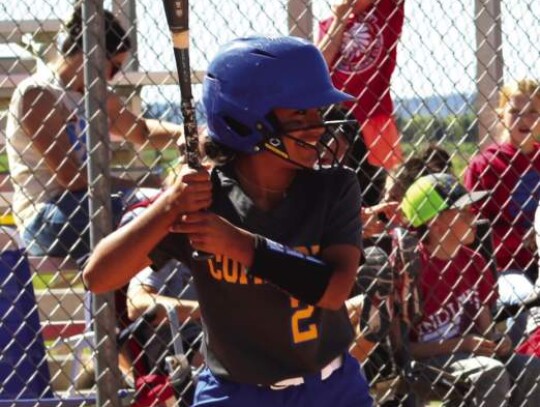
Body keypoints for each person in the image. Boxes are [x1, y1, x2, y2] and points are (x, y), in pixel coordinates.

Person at [83, 36, 373, 407]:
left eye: (316, 111)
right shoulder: (204, 201)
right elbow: (98, 277)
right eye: (300, 115)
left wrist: (238, 245)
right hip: (234, 393)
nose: (316, 125)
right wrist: (168, 207)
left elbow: (334, 290)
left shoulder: (334, 187)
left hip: (330, 390)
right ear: (248, 120)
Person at [5, 4, 182, 262]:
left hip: (94, 203)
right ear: (94, 55)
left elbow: (140, 131)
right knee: (154, 211)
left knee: (160, 212)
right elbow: (72, 179)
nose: (112, 78)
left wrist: (187, 133)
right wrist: (147, 187)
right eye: (113, 67)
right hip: (47, 215)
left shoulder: (94, 96)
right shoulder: (39, 94)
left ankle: (137, 294)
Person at [400, 173, 540, 406]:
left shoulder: (473, 262)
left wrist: (497, 340)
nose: (473, 217)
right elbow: (405, 350)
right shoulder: (412, 268)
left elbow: (485, 326)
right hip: (427, 362)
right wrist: (463, 344)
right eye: (463, 212)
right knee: (491, 373)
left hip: (471, 355)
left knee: (532, 368)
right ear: (435, 223)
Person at [317, 0, 405, 198]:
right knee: (337, 191)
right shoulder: (328, 24)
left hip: (374, 117)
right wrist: (339, 18)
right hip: (336, 122)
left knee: (381, 191)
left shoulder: (386, 8)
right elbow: (317, 66)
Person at [464, 79, 540, 281]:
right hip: (505, 267)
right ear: (501, 115)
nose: (524, 119)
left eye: (533, 111)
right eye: (515, 112)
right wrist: (523, 240)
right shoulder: (484, 165)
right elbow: (473, 229)